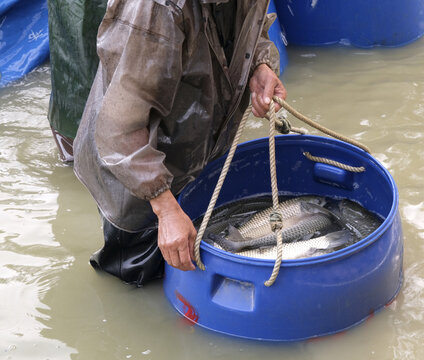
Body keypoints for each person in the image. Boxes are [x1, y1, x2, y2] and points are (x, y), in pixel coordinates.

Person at [73, 0, 287, 286]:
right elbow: (120, 128)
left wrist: (260, 63)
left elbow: (252, 25)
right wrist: (165, 208)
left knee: (191, 255)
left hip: (199, 144)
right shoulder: (154, 9)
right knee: (134, 280)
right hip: (132, 167)